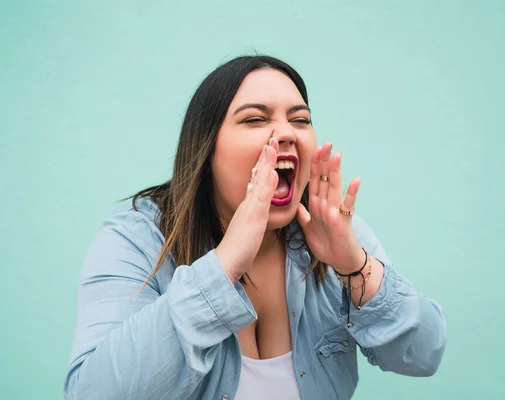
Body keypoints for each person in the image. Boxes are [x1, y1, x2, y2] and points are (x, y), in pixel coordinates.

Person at [63, 55, 447, 400]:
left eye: (300, 119)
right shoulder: (138, 239)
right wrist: (224, 264)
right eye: (255, 119)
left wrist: (355, 266)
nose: (287, 133)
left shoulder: (333, 230)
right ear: (207, 149)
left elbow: (424, 355)